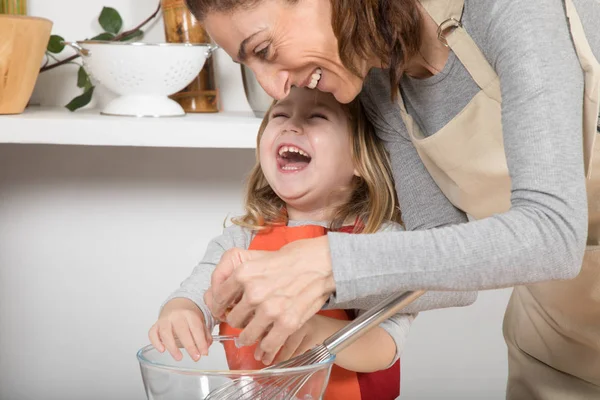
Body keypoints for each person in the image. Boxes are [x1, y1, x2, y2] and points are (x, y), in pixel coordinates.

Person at [184, 0, 600, 398]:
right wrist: (295, 286)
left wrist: (328, 263)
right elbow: (442, 278)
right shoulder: (375, 79)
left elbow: (553, 236)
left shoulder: (509, 8)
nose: (275, 86)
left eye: (264, 49)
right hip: (556, 339)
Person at [149, 87, 475, 400]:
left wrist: (318, 332)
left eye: (317, 116)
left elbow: (385, 346)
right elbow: (195, 295)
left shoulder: (380, 243)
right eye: (279, 114)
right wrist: (182, 311)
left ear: (360, 159)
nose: (291, 124)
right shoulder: (240, 239)